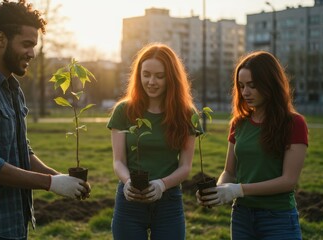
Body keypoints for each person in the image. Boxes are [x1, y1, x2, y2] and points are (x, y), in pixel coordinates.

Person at [0, 1, 90, 239]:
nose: (32, 53)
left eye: (34, 46)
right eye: (26, 44)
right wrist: (50, 183)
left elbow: (22, 150)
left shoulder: (12, 88)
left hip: (13, 221)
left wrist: (59, 180)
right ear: (1, 39)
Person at [196, 51, 308, 239]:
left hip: (278, 219)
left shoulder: (294, 123)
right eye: (241, 86)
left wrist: (238, 190)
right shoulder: (239, 123)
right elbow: (229, 172)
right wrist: (218, 192)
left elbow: (289, 181)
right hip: (242, 217)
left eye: (252, 86)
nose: (245, 92)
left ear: (270, 84)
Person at [107, 43, 199, 240]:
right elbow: (118, 161)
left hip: (169, 203)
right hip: (130, 200)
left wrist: (161, 185)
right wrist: (128, 181)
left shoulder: (186, 114)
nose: (151, 81)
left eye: (160, 76)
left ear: (171, 78)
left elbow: (185, 167)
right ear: (138, 75)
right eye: (146, 74)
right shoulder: (124, 111)